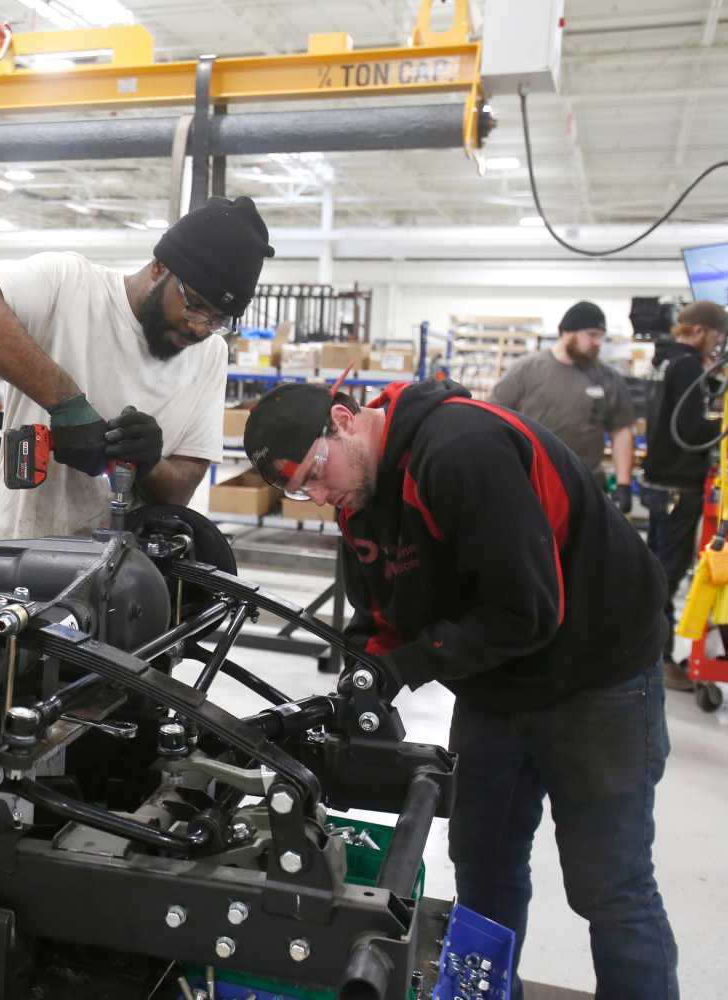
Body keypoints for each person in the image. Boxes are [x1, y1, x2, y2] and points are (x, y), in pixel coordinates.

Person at [243, 376, 677, 1000]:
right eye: (298, 490)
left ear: (342, 420)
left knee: (611, 886)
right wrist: (367, 673)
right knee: (483, 862)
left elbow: (528, 611)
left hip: (597, 674)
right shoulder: (354, 493)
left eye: (314, 473)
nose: (317, 495)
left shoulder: (459, 450)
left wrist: (408, 666)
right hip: (496, 679)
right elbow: (378, 615)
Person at [0, 197, 275, 539]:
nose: (201, 327)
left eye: (218, 319)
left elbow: (179, 493)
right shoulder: (69, 285)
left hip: (128, 578)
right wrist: (66, 402)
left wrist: (150, 463)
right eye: (195, 305)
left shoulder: (211, 354)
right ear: (159, 268)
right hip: (20, 561)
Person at [642, 300, 728, 690]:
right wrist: (722, 424)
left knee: (656, 571)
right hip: (680, 484)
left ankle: (647, 653)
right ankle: (659, 659)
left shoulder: (662, 361)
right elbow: (691, 429)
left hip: (659, 481)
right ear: (699, 331)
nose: (716, 346)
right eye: (716, 337)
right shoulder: (689, 364)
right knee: (668, 575)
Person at [491, 301, 636, 510]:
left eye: (601, 336)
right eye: (592, 334)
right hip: (531, 481)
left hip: (586, 483)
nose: (598, 342)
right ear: (567, 332)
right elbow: (493, 418)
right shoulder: (526, 370)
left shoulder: (608, 378)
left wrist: (623, 484)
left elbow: (621, 431)